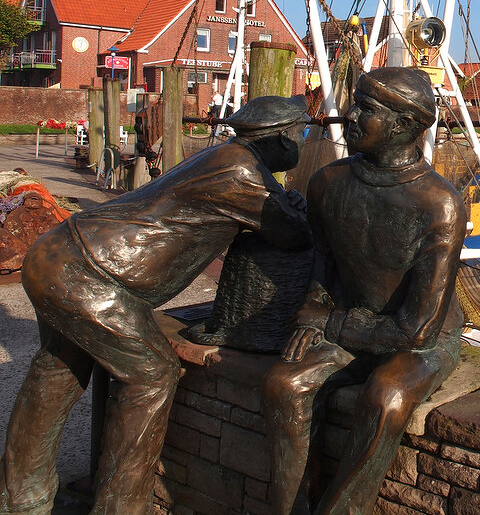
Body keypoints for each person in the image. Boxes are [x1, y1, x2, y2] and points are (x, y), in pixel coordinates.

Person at [0, 96, 312, 515]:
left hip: (61, 254)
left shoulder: (223, 154)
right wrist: (294, 207)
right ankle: (120, 506)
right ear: (281, 136)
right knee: (152, 372)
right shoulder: (241, 170)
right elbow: (292, 233)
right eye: (301, 132)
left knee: (56, 370)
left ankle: (21, 498)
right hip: (92, 274)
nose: (303, 141)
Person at [262, 67, 466, 515]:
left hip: (422, 338)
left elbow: (417, 331)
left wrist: (329, 322)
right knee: (284, 384)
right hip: (354, 323)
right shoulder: (327, 183)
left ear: (407, 126)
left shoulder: (439, 203)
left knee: (387, 398)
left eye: (367, 109)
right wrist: (313, 307)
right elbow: (324, 261)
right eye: (355, 102)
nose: (350, 115)